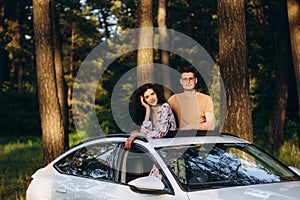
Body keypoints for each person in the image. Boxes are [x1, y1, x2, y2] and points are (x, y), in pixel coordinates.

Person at [125, 83, 176, 150]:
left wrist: (136, 134)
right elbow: (144, 132)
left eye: (152, 94)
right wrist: (148, 109)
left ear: (156, 93)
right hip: (155, 148)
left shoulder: (165, 107)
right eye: (147, 97)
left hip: (169, 147)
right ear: (144, 100)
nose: (151, 98)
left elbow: (161, 134)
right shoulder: (149, 111)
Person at [168, 66, 215, 130]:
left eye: (191, 78)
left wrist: (191, 127)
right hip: (180, 137)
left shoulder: (206, 99)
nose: (188, 81)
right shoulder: (173, 99)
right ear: (181, 81)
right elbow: (163, 118)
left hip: (200, 137)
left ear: (196, 80)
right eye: (185, 79)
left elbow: (211, 125)